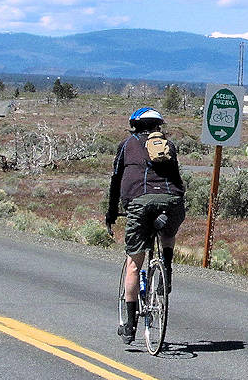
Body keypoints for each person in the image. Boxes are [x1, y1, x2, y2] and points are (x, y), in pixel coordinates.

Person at [105, 107, 185, 344]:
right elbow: (178, 178)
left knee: (133, 264)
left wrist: (111, 212)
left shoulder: (127, 145)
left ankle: (130, 326)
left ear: (135, 126)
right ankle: (166, 266)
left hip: (139, 202)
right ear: (158, 127)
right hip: (172, 201)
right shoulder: (169, 146)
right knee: (167, 233)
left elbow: (116, 179)